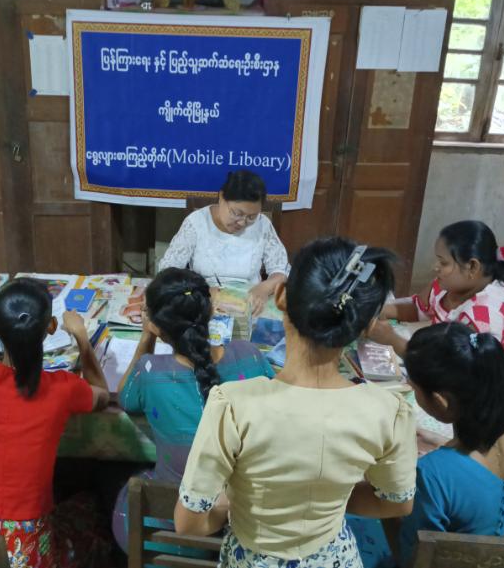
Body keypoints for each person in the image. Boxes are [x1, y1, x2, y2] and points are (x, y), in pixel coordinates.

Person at [174, 238, 418, 567]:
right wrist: (328, 499)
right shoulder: (389, 411)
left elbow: (188, 523)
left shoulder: (233, 406)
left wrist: (236, 505)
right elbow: (397, 503)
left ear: (280, 296)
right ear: (365, 325)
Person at [0, 278, 109, 567]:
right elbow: (102, 394)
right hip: (24, 551)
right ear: (51, 327)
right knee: (92, 508)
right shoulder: (63, 388)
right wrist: (82, 337)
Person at [110, 268, 276, 553]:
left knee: (119, 479)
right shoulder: (249, 356)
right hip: (245, 525)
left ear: (157, 327)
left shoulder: (150, 372)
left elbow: (125, 397)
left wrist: (146, 337)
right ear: (211, 311)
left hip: (174, 527)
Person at [370, 220, 504, 445]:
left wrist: (391, 339)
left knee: (408, 421)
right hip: (482, 393)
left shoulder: (483, 316)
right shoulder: (449, 286)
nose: (435, 267)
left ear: (472, 267)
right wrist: (378, 309)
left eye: (443, 263)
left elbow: (445, 370)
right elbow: (418, 307)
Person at [395, 322, 504, 565]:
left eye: (415, 389)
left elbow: (414, 557)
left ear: (441, 401)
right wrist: (446, 447)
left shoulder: (431, 474)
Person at [158, 170, 289, 316]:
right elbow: (168, 271)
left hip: (250, 306)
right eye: (237, 213)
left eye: (251, 217)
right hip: (205, 303)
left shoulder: (262, 225)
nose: (242, 222)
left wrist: (265, 288)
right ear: (221, 197)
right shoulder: (196, 223)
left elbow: (281, 270)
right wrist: (200, 290)